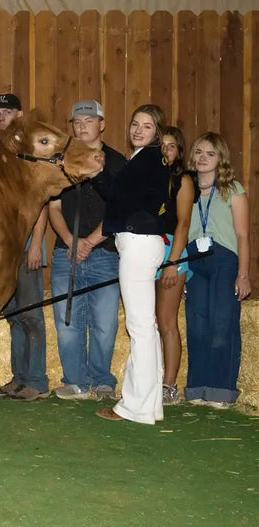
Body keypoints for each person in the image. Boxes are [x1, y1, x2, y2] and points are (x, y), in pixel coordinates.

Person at [96, 104, 171, 424]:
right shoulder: (144, 159)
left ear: (157, 132)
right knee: (146, 327)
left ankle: (134, 407)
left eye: (147, 126)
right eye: (135, 124)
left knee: (139, 327)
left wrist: (97, 172)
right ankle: (150, 404)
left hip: (138, 243)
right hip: (143, 244)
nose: (138, 130)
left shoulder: (149, 159)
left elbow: (119, 198)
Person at [50, 100, 127, 402]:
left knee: (104, 322)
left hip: (105, 250)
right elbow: (53, 206)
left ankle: (102, 380)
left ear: (102, 124)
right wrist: (70, 240)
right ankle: (75, 381)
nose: (82, 126)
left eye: (89, 120)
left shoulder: (117, 162)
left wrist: (90, 241)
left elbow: (121, 209)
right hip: (65, 251)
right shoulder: (61, 161)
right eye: (77, 121)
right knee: (66, 320)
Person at [0, 93, 50, 401]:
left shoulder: (30, 151)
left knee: (32, 314)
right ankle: (19, 378)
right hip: (2, 249)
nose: (1, 117)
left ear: (20, 114)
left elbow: (41, 200)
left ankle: (36, 380)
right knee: (13, 314)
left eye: (7, 111)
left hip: (25, 247)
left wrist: (36, 243)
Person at [184, 132, 251, 409]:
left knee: (222, 325)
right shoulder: (186, 190)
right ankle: (198, 388)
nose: (203, 158)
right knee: (197, 326)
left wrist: (243, 274)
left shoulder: (232, 189)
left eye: (210, 154)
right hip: (194, 261)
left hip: (224, 260)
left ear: (220, 158)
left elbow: (243, 235)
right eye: (199, 152)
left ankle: (221, 390)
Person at [156, 126, 195, 405]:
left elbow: (183, 224)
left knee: (167, 322)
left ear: (179, 151)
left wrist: (173, 262)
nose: (166, 150)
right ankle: (150, 380)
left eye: (171, 146)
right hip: (148, 251)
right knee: (150, 322)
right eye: (162, 145)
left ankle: (169, 386)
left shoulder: (183, 180)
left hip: (172, 251)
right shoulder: (149, 178)